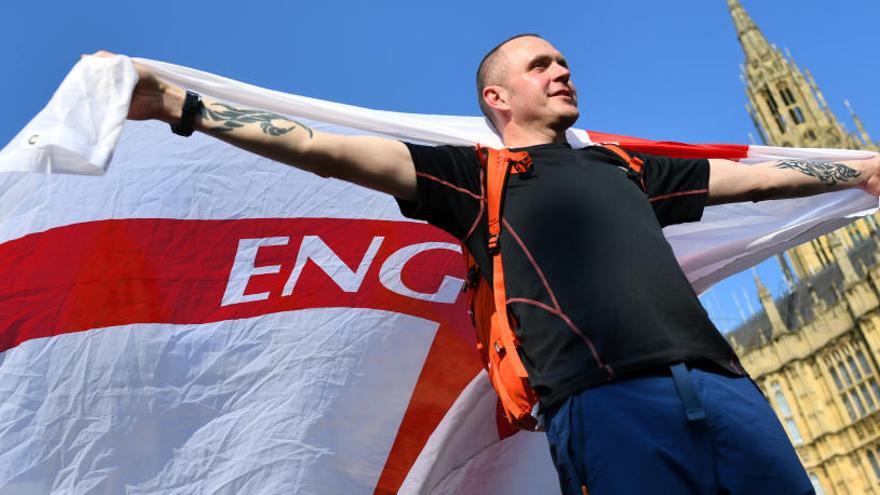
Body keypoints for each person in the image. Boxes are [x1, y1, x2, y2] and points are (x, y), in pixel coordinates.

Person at [94, 33, 879, 494]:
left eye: (564, 61)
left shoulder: (624, 166)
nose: (562, 70)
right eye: (541, 65)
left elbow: (756, 178)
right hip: (605, 407)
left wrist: (863, 171)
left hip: (725, 389)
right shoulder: (476, 178)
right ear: (499, 99)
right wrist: (179, 107)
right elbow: (325, 150)